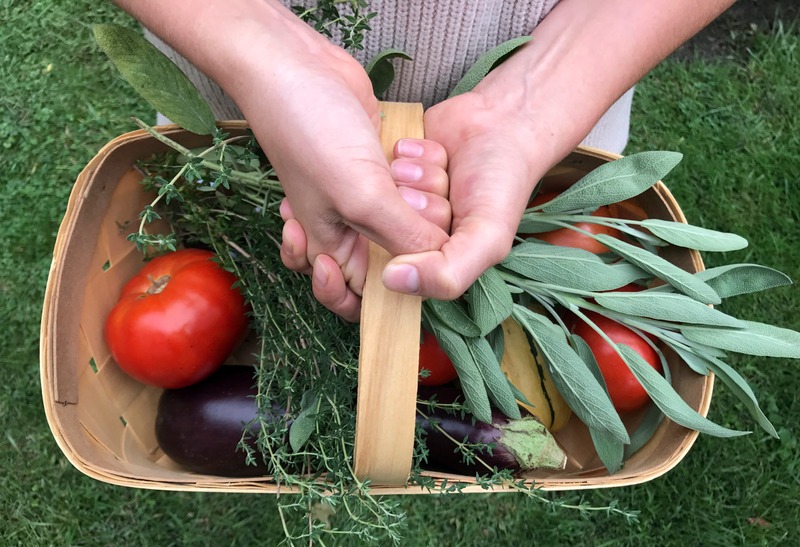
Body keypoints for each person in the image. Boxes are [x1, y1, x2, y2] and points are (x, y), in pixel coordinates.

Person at [114, 0, 735, 321]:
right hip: (235, 69)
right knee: (235, 243)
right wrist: (257, 46)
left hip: (563, 70)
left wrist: (532, 100)